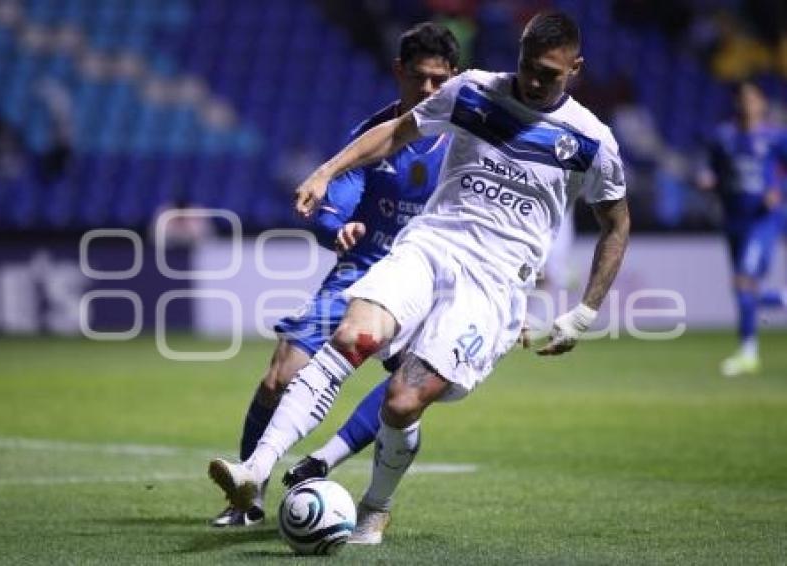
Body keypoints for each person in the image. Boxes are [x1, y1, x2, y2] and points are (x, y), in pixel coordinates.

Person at [210, 10, 630, 545]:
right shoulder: (473, 91)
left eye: (549, 72)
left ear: (575, 68)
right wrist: (325, 171)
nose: (533, 80)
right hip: (431, 246)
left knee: (402, 402)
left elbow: (616, 225)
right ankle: (256, 470)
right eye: (527, 65)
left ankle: (376, 507)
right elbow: (394, 132)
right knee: (351, 338)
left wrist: (585, 310)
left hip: (493, 283)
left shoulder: (593, 141)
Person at [210, 22, 460, 527]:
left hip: (433, 281)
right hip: (363, 271)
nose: (429, 91)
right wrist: (339, 229)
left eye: (440, 81)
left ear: (455, 78)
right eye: (419, 79)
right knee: (280, 377)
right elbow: (331, 211)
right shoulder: (372, 138)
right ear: (398, 73)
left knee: (408, 393)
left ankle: (327, 461)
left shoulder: (466, 142)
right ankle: (246, 497)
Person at [697, 81, 787, 377]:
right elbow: (713, 169)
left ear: (762, 103)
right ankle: (750, 351)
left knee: (744, 281)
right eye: (742, 98)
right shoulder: (723, 138)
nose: (747, 103)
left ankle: (748, 353)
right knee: (744, 289)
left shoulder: (775, 138)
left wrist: (779, 191)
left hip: (762, 221)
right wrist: (709, 180)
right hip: (734, 221)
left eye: (752, 98)